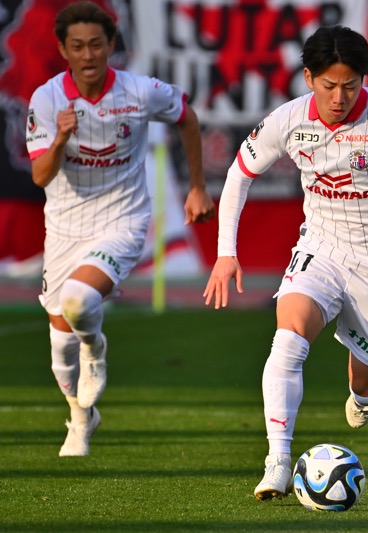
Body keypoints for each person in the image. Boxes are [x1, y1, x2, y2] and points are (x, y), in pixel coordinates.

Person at [203, 25, 368, 500]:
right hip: (323, 248)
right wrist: (226, 253)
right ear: (309, 78)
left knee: (367, 385)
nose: (339, 97)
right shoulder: (289, 119)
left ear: (364, 79)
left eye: (350, 85)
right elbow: (239, 174)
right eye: (329, 85)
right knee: (287, 336)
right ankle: (278, 461)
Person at [26, 2, 215, 457]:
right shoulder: (47, 100)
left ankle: (96, 348)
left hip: (122, 218)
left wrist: (197, 187)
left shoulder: (140, 91)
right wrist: (60, 139)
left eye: (96, 44)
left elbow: (186, 116)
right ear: (63, 50)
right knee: (58, 344)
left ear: (111, 45)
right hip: (65, 228)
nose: (88, 55)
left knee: (79, 301)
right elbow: (40, 176)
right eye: (77, 47)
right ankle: (80, 416)